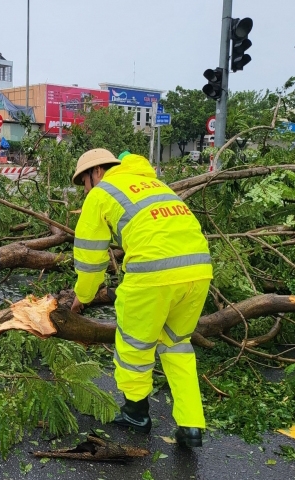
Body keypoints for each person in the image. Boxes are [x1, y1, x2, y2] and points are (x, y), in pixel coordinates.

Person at [70, 148, 213, 447]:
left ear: (95, 172)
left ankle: (136, 414)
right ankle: (190, 425)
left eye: (83, 181)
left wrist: (82, 296)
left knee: (135, 346)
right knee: (177, 345)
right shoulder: (157, 185)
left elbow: (89, 256)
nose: (84, 189)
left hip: (152, 275)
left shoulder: (102, 192)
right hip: (199, 271)